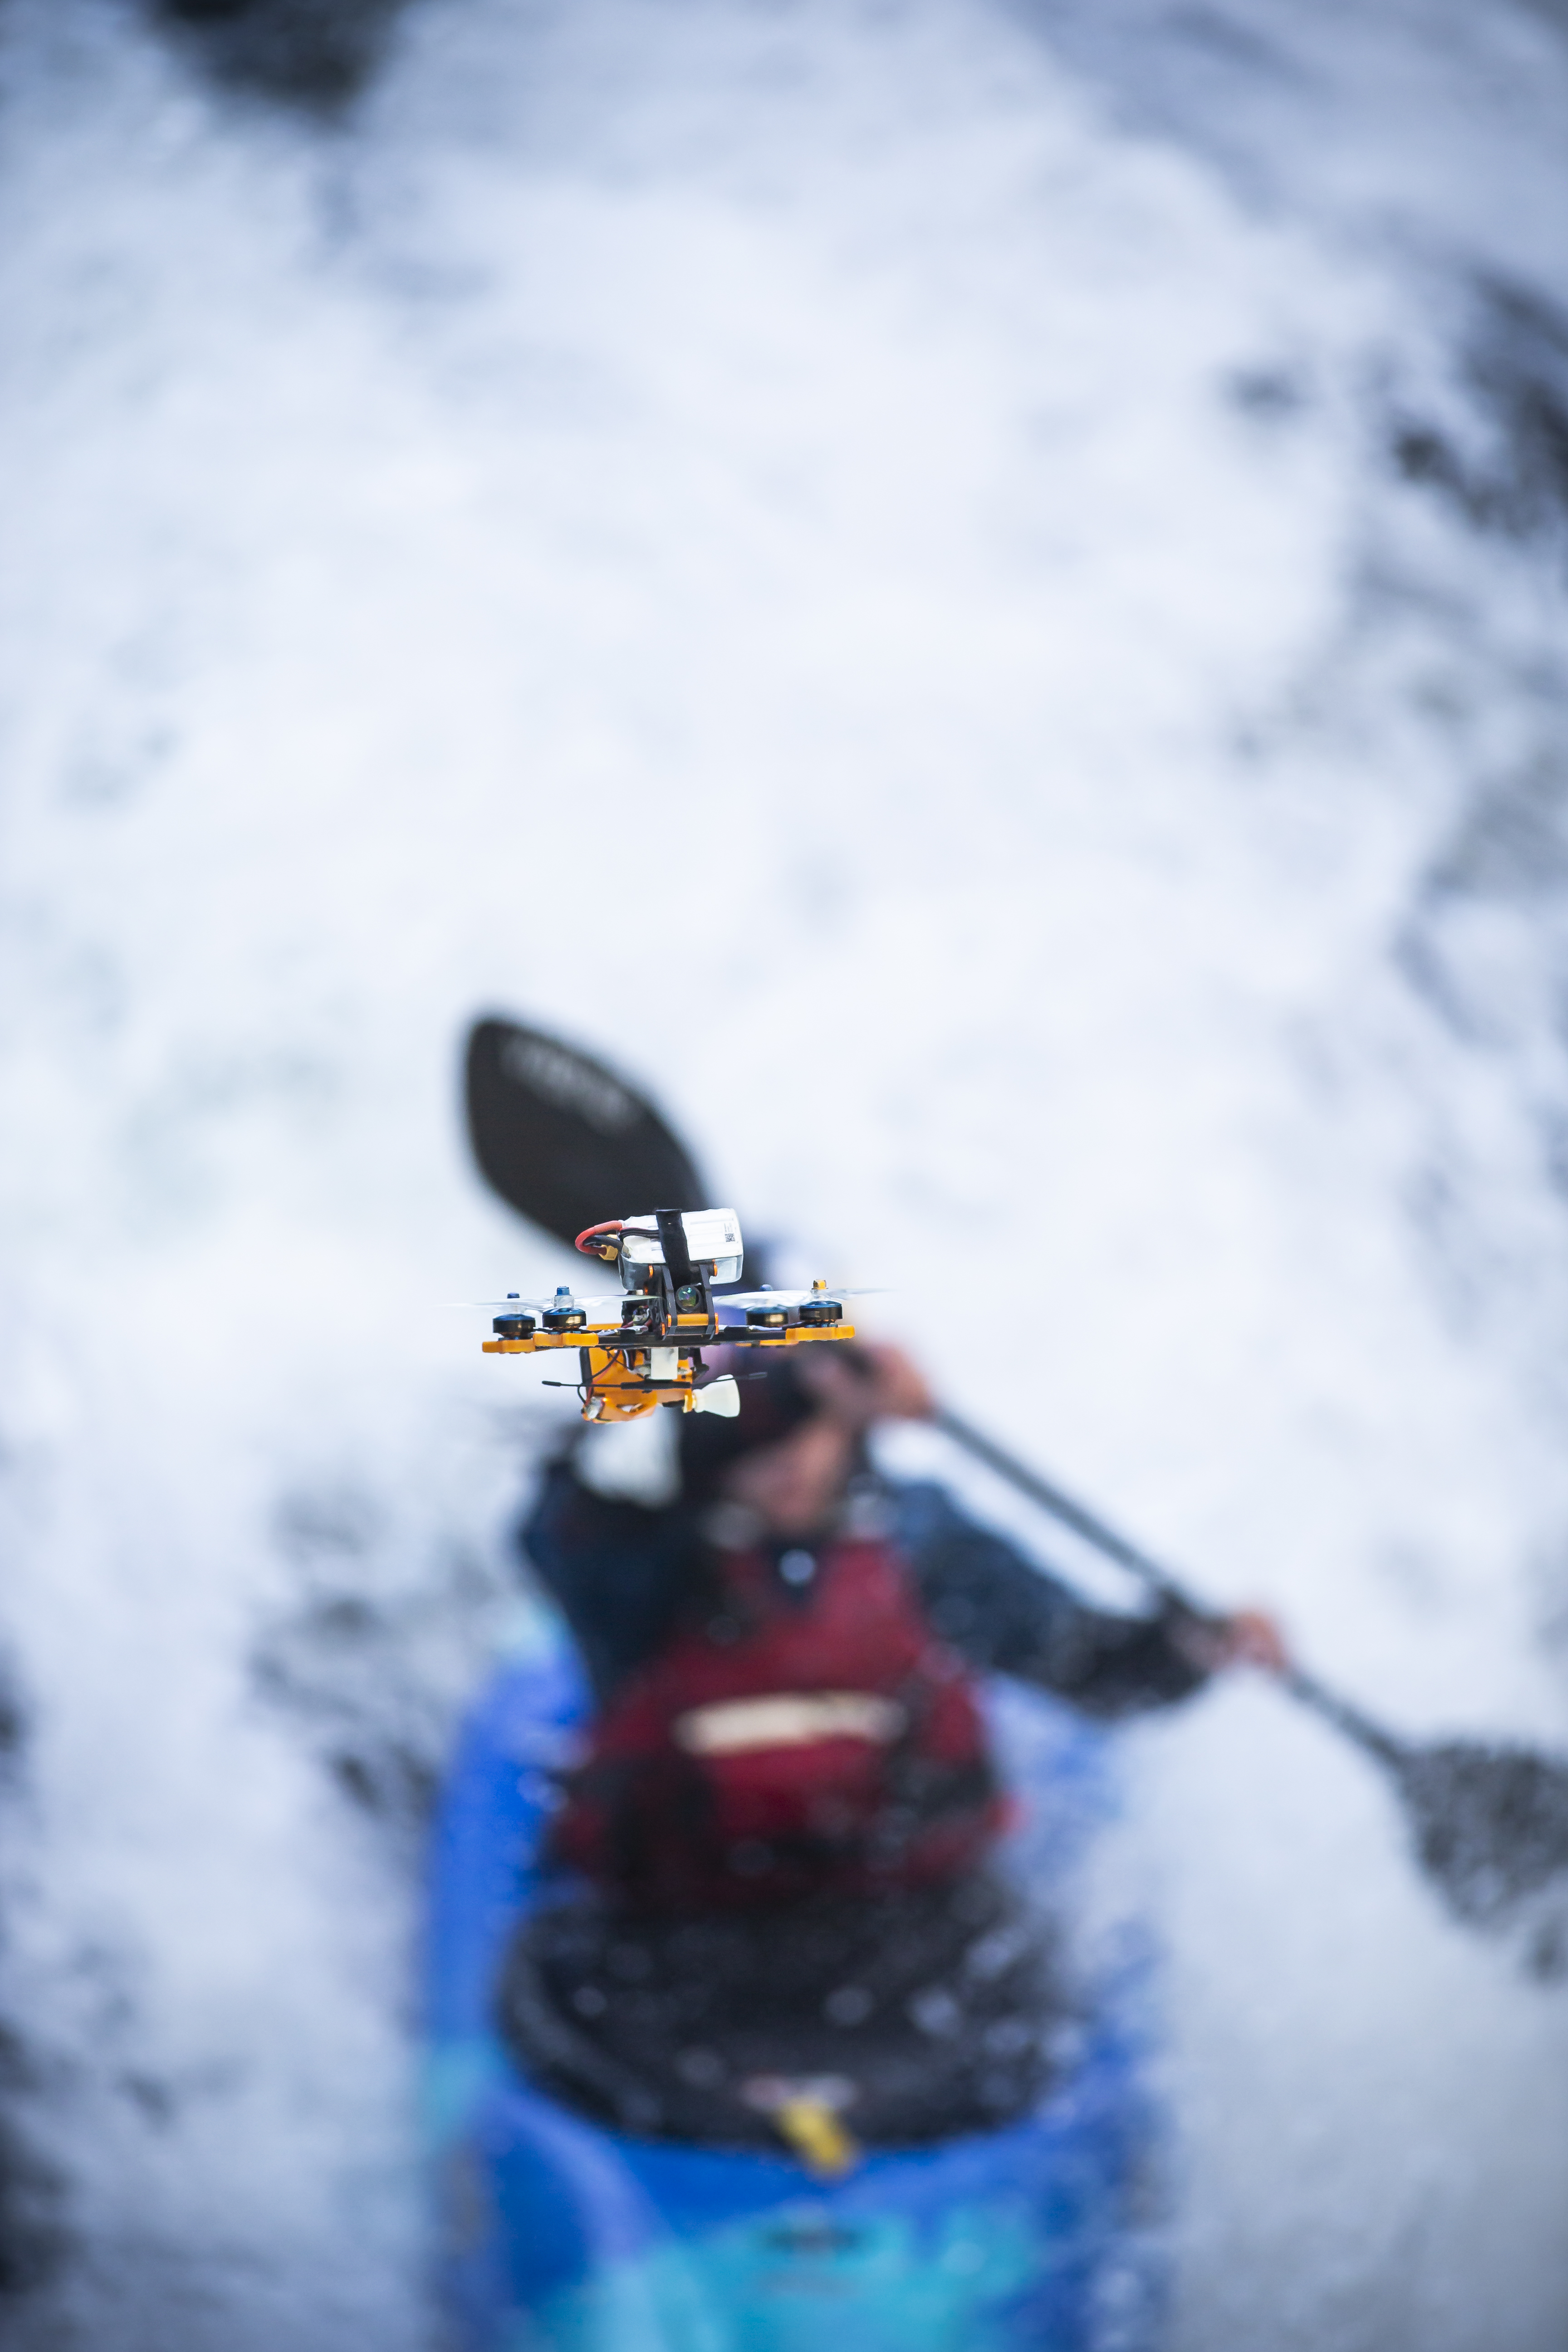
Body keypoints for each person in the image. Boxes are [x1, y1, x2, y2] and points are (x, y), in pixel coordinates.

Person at [497, 1343, 1287, 2161]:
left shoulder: (920, 1539)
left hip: (909, 1932)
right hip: (679, 1937)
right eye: (747, 1456)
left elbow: (1088, 1667)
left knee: (1026, 2015)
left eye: (799, 1439)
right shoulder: (641, 1562)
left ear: (846, 1428)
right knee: (555, 2008)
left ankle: (868, 2157)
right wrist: (664, 1364)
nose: (780, 1472)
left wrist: (1192, 1648)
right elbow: (544, 1505)